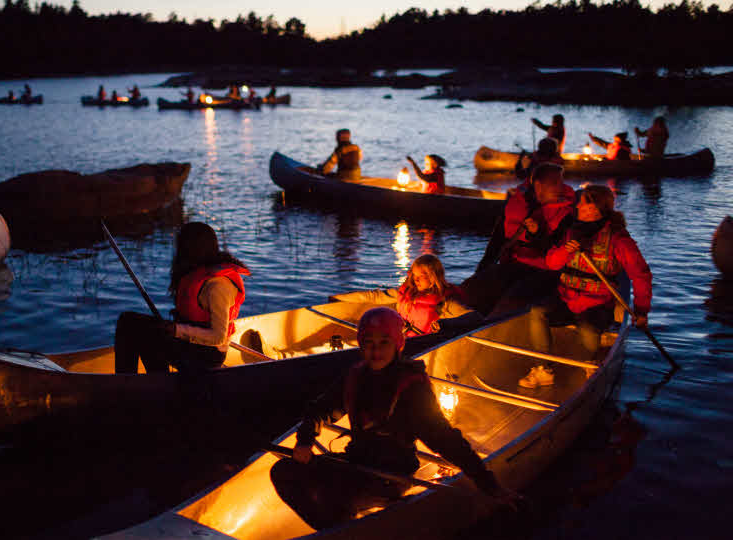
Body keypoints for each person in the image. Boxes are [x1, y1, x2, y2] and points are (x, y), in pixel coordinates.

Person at [270, 307, 520, 529]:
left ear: (398, 344)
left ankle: (342, 527)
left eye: (384, 342)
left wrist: (487, 482)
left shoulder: (410, 386)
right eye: (368, 342)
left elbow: (443, 438)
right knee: (283, 471)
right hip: (355, 461)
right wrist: (304, 440)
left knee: (337, 494)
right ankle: (336, 528)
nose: (375, 350)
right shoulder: (355, 376)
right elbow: (320, 409)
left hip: (391, 475)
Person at [521, 185, 651, 388]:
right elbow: (552, 263)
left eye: (583, 202)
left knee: (588, 331)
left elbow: (641, 275)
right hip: (566, 297)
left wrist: (642, 310)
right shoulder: (571, 230)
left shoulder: (619, 239)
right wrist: (566, 251)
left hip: (597, 303)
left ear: (594, 208)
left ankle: (591, 362)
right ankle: (543, 369)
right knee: (537, 312)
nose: (578, 206)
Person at [113, 222, 251, 374]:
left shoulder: (217, 286)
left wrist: (177, 329)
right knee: (129, 321)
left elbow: (218, 337)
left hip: (206, 356)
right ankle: (150, 379)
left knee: (147, 334)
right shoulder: (197, 272)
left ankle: (136, 383)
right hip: (191, 345)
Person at [461, 163, 575, 315]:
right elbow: (497, 242)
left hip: (546, 271)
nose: (561, 188)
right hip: (515, 263)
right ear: (538, 186)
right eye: (555, 183)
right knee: (470, 288)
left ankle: (492, 323)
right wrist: (481, 271)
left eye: (561, 182)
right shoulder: (517, 203)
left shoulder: (568, 213)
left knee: (512, 298)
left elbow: (557, 253)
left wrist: (537, 233)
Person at [329, 254, 475, 336]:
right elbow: (374, 296)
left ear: (433, 277)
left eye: (421, 276)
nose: (415, 279)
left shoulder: (445, 302)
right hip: (401, 342)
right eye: (414, 275)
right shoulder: (408, 293)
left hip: (423, 347)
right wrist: (340, 298)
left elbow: (475, 317)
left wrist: (447, 323)